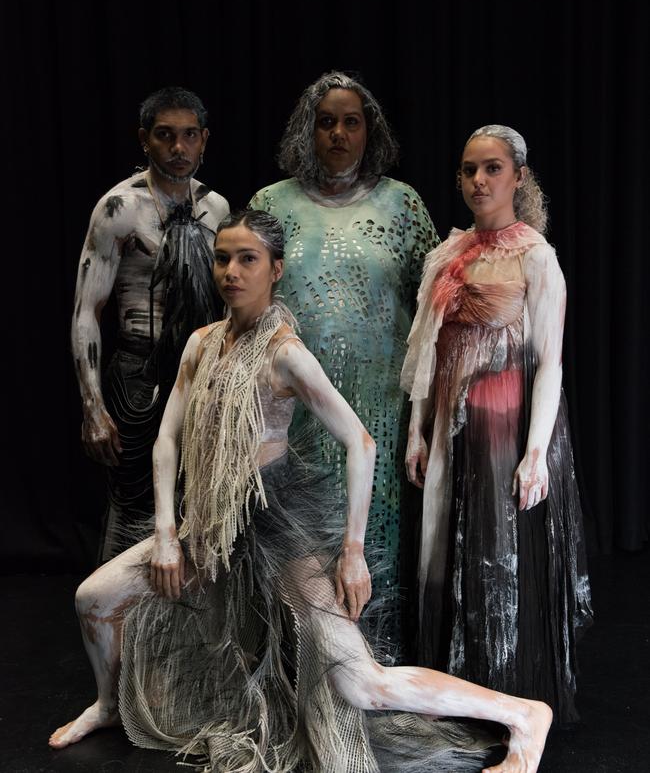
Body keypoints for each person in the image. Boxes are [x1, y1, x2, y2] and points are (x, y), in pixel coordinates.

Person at [50, 209, 552, 773]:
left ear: (276, 269)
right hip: (213, 525)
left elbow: (360, 444)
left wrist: (353, 551)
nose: (231, 272)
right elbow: (167, 441)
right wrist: (167, 532)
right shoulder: (202, 344)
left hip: (276, 524)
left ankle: (522, 714)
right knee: (94, 599)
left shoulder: (284, 353)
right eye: (222, 258)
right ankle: (109, 704)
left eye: (248, 259)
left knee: (359, 683)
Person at [401, 125, 593, 726]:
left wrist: (536, 453)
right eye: (468, 170)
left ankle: (503, 695)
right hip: (451, 427)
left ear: (518, 177)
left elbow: (551, 362)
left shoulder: (535, 255)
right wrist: (417, 430)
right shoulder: (448, 253)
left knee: (495, 555)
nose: (478, 181)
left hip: (504, 428)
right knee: (444, 551)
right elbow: (428, 351)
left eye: (491, 169)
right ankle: (453, 691)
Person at [249, 71, 437, 661]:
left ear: (369, 130)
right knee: (300, 542)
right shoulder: (270, 204)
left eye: (350, 121)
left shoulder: (402, 204)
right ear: (309, 129)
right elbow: (246, 301)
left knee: (373, 541)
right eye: (326, 121)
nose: (338, 133)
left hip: (379, 407)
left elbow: (432, 309)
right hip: (294, 413)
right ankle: (297, 668)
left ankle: (377, 670)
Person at [71, 86, 229, 559]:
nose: (178, 149)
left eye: (188, 136)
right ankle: (119, 622)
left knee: (197, 501)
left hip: (200, 372)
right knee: (132, 502)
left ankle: (184, 626)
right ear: (144, 139)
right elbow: (86, 311)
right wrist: (93, 407)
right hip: (138, 376)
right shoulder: (119, 209)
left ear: (204, 140)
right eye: (165, 136)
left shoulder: (216, 209)